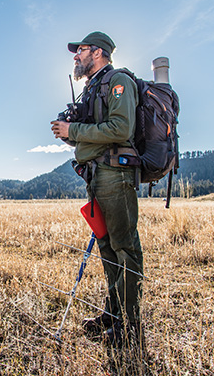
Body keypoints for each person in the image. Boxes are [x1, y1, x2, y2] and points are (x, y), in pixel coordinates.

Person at [51, 31, 143, 346]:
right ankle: (114, 314)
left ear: (99, 52)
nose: (76, 56)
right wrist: (69, 135)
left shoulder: (118, 81)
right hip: (95, 176)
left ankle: (130, 327)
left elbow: (120, 128)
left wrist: (73, 129)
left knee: (125, 248)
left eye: (81, 50)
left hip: (114, 174)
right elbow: (94, 133)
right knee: (107, 249)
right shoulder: (92, 88)